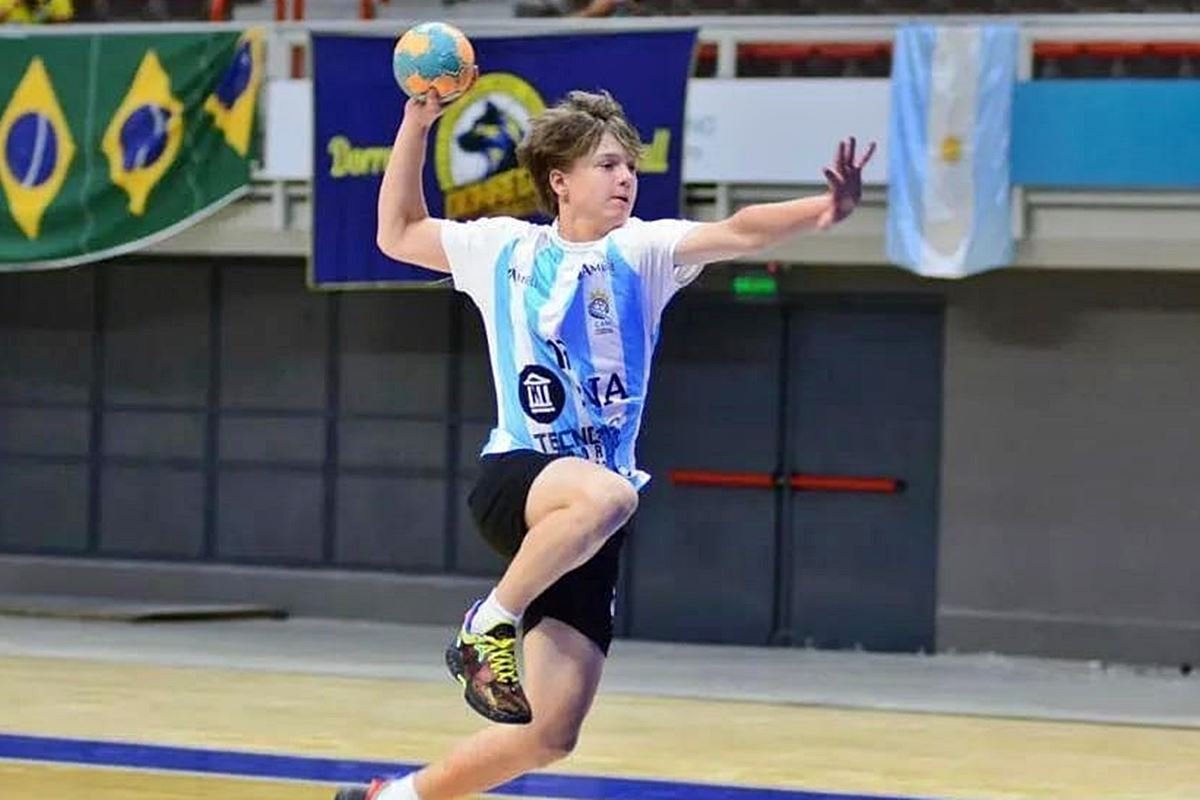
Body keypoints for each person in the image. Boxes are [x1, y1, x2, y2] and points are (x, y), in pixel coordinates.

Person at [334, 79, 874, 800]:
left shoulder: (646, 250)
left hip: (588, 522)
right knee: (614, 492)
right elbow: (397, 233)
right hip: (520, 481)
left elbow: (742, 229)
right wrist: (415, 121)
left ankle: (392, 798)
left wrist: (824, 210)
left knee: (551, 733)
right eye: (608, 165)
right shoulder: (502, 248)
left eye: (630, 166)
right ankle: (485, 626)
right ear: (560, 181)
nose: (626, 178)